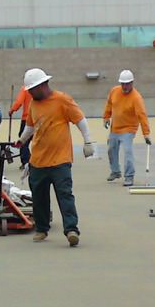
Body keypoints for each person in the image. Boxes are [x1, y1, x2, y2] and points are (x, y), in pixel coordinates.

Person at [18, 67, 94, 247]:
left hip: (60, 160)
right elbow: (30, 126)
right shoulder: (33, 103)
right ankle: (42, 229)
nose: (29, 93)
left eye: (31, 90)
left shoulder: (62, 100)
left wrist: (88, 142)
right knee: (39, 196)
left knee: (65, 194)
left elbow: (80, 120)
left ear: (42, 85)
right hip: (37, 159)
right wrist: (21, 141)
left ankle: (71, 230)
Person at [103, 69, 152, 186]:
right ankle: (115, 171)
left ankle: (129, 176)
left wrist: (146, 133)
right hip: (115, 127)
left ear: (132, 83)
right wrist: (106, 117)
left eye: (127, 83)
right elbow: (109, 104)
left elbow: (142, 115)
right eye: (122, 83)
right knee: (111, 149)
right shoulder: (114, 91)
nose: (125, 86)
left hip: (129, 129)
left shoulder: (136, 98)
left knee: (128, 152)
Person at [9, 83, 34, 171]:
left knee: (23, 141)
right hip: (40, 118)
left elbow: (19, 101)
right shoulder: (40, 88)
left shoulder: (25, 88)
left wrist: (12, 110)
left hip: (27, 119)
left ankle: (26, 162)